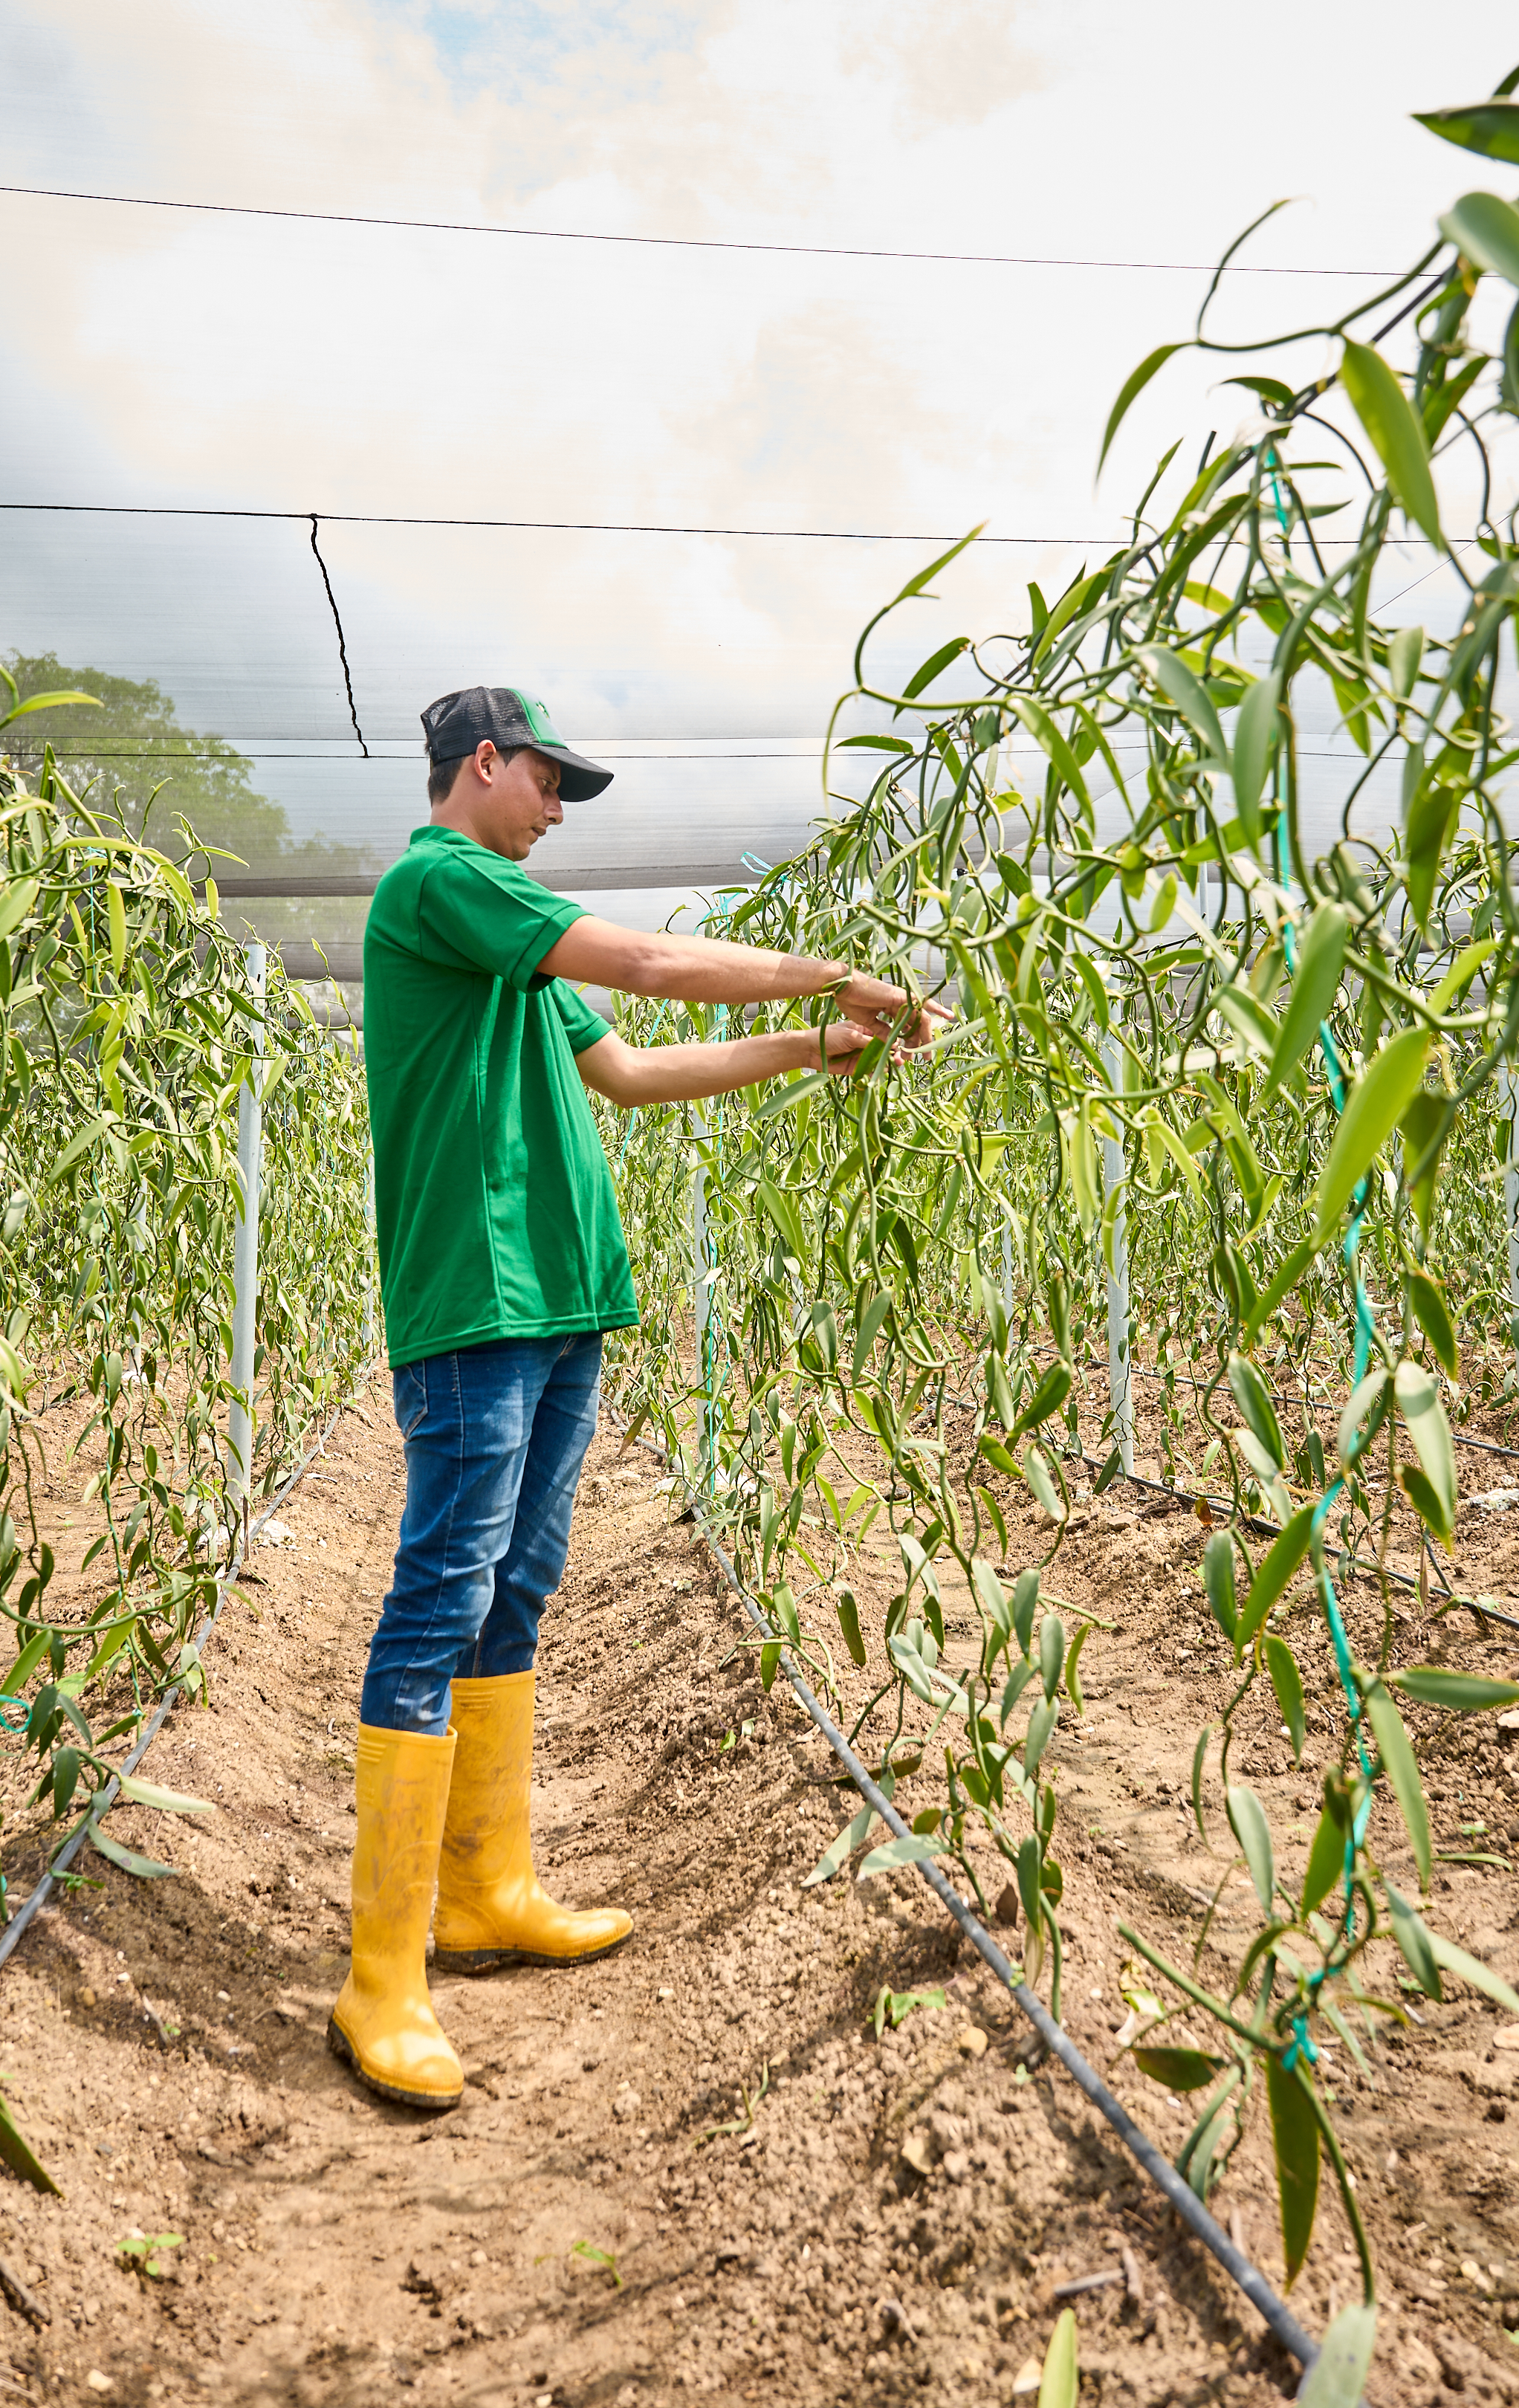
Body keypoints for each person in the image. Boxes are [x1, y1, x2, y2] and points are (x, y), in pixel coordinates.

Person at [328, 684, 942, 2111]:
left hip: (560, 1303)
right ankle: (381, 1977)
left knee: (517, 1585)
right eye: (550, 782)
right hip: (478, 1304)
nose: (558, 811)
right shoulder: (444, 886)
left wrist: (813, 1049)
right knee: (440, 1592)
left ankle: (489, 1893)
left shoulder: (521, 958)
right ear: (481, 764)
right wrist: (826, 975)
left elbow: (641, 1072)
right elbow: (661, 965)